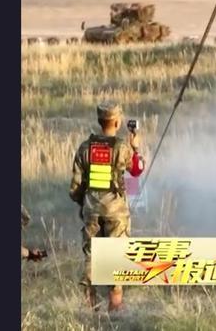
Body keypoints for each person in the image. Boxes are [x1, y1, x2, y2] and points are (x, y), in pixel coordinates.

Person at [69, 102, 144, 311]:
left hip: (91, 209)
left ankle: (88, 302)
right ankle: (115, 303)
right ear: (118, 122)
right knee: (116, 253)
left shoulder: (85, 148)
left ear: (100, 121)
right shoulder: (122, 147)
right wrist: (136, 148)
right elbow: (137, 170)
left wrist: (83, 204)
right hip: (116, 211)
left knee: (91, 253)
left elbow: (75, 186)